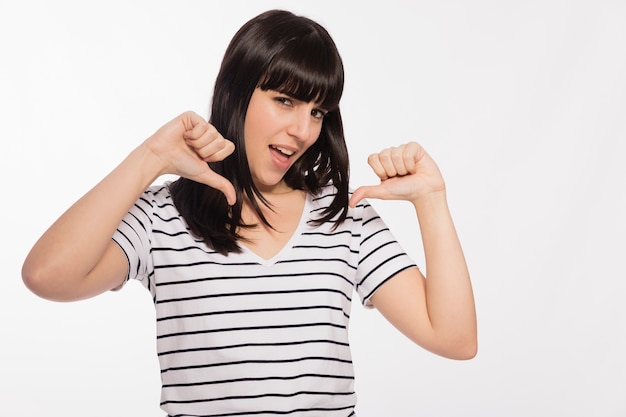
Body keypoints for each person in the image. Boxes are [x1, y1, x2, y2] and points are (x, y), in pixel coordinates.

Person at [22, 9, 477, 417]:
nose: (302, 130)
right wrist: (149, 159)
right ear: (237, 94)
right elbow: (47, 275)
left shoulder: (345, 219)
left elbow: (454, 339)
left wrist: (432, 200)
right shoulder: (164, 216)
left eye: (318, 111)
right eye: (285, 100)